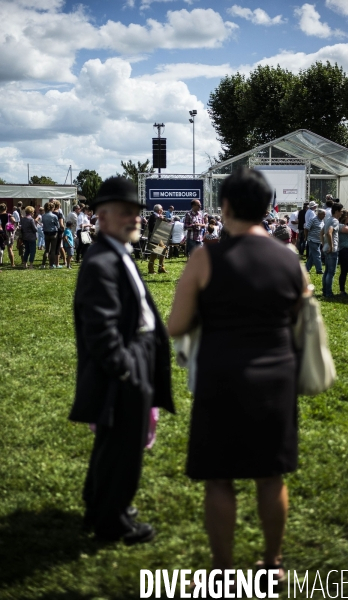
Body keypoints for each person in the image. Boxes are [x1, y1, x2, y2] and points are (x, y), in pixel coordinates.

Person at [168, 167, 304, 585]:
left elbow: (176, 325)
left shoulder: (205, 258)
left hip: (221, 376)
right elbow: (301, 317)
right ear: (268, 208)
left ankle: (224, 572)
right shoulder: (290, 259)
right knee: (270, 475)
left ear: (224, 206)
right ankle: (273, 563)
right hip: (277, 377)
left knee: (219, 478)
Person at [69, 176, 175, 544]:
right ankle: (113, 522)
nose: (134, 219)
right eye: (125, 212)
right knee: (124, 451)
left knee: (111, 447)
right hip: (125, 370)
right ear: (101, 214)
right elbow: (101, 331)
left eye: (136, 212)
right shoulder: (102, 262)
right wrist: (128, 369)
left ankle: (100, 505)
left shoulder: (116, 251)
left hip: (134, 361)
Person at [321, 202, 343, 298]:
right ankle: (328, 293)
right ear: (337, 211)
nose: (342, 213)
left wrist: (324, 244)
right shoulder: (334, 221)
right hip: (331, 249)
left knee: (326, 271)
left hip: (326, 247)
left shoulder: (328, 220)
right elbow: (329, 233)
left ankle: (325, 291)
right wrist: (331, 246)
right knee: (331, 272)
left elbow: (321, 232)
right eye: (341, 211)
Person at [147, 204, 167, 273]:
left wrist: (162, 219)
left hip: (159, 237)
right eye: (162, 209)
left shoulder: (159, 216)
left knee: (163, 251)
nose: (163, 210)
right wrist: (159, 219)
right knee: (154, 254)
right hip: (154, 238)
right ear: (159, 210)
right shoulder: (153, 216)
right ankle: (151, 270)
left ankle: (161, 268)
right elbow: (152, 227)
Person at [305, 209, 325, 274]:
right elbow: (306, 228)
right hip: (312, 240)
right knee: (317, 254)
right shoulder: (313, 219)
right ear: (319, 214)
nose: (324, 216)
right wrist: (306, 237)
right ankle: (319, 270)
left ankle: (306, 269)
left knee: (312, 256)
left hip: (318, 241)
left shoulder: (322, 221)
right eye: (323, 214)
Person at [40, 202, 59, 269]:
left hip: (46, 233)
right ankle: (51, 265)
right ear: (52, 208)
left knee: (47, 249)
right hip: (53, 233)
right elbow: (57, 225)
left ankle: (43, 264)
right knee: (53, 250)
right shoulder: (54, 216)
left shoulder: (43, 216)